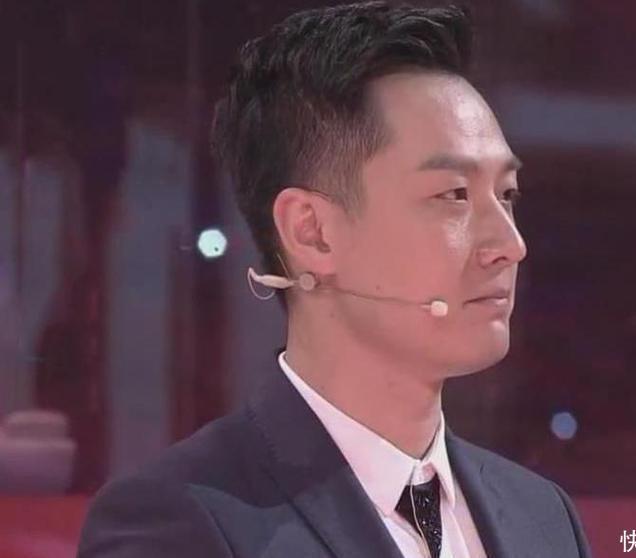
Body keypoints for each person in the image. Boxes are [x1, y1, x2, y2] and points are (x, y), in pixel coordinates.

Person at [77, 2, 593, 557]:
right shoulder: (179, 522)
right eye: (454, 195)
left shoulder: (544, 517)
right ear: (312, 232)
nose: (510, 245)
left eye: (507, 194)